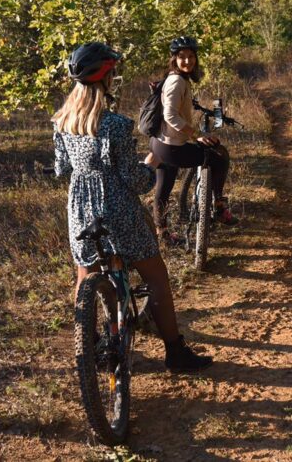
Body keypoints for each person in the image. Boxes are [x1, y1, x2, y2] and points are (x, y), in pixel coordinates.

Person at [52, 42, 212, 372]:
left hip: (80, 208)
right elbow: (137, 182)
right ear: (106, 80)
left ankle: (93, 345)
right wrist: (150, 164)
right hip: (118, 208)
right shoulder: (116, 125)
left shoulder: (62, 122)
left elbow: (61, 168)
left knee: (86, 275)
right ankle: (175, 353)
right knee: (155, 276)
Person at [149, 36, 236, 246]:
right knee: (219, 154)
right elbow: (170, 115)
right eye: (182, 57)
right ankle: (218, 206)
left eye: (191, 57)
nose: (187, 61)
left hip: (159, 143)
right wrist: (195, 133)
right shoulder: (177, 81)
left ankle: (162, 233)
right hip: (172, 147)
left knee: (163, 187)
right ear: (174, 59)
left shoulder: (173, 78)